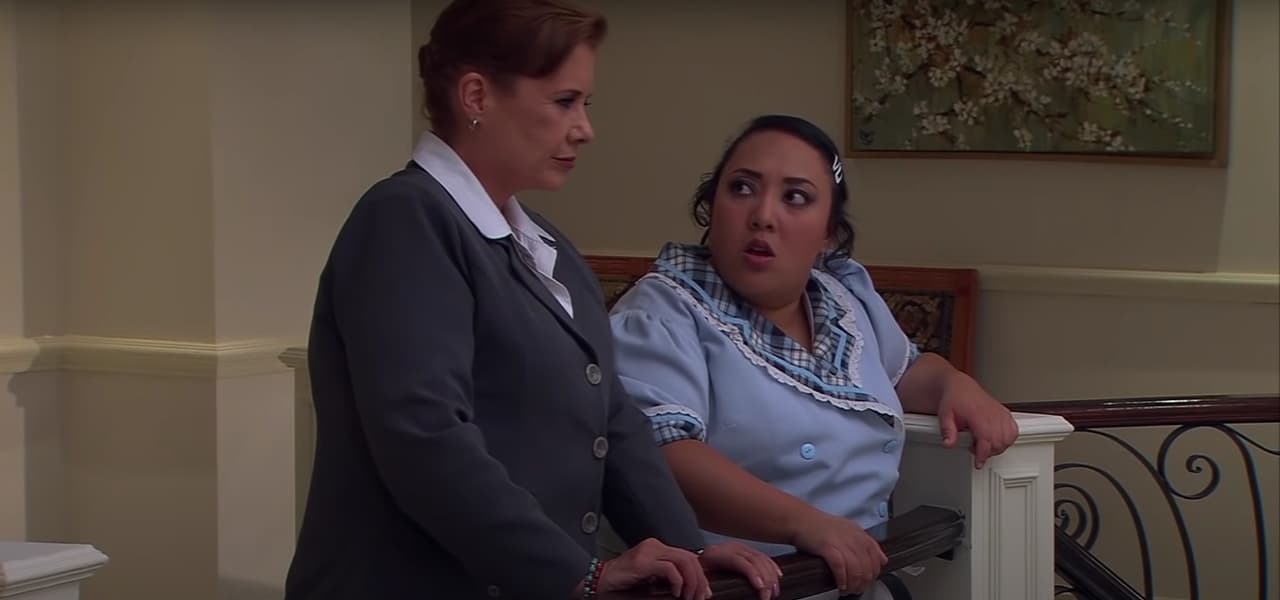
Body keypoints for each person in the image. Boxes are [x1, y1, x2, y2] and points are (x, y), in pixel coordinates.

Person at [283, 2, 781, 599]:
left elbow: (612, 419)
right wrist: (578, 573)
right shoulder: (404, 220)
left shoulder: (548, 246)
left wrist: (688, 548)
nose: (585, 128)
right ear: (476, 95)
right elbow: (424, 435)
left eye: (586, 104)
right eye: (564, 102)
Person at [608, 115, 1020, 598]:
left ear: (829, 233)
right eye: (742, 188)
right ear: (710, 206)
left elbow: (905, 370)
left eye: (796, 197)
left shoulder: (845, 296)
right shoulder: (662, 311)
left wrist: (955, 383)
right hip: (735, 587)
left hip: (862, 580)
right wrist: (805, 524)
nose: (763, 215)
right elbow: (661, 456)